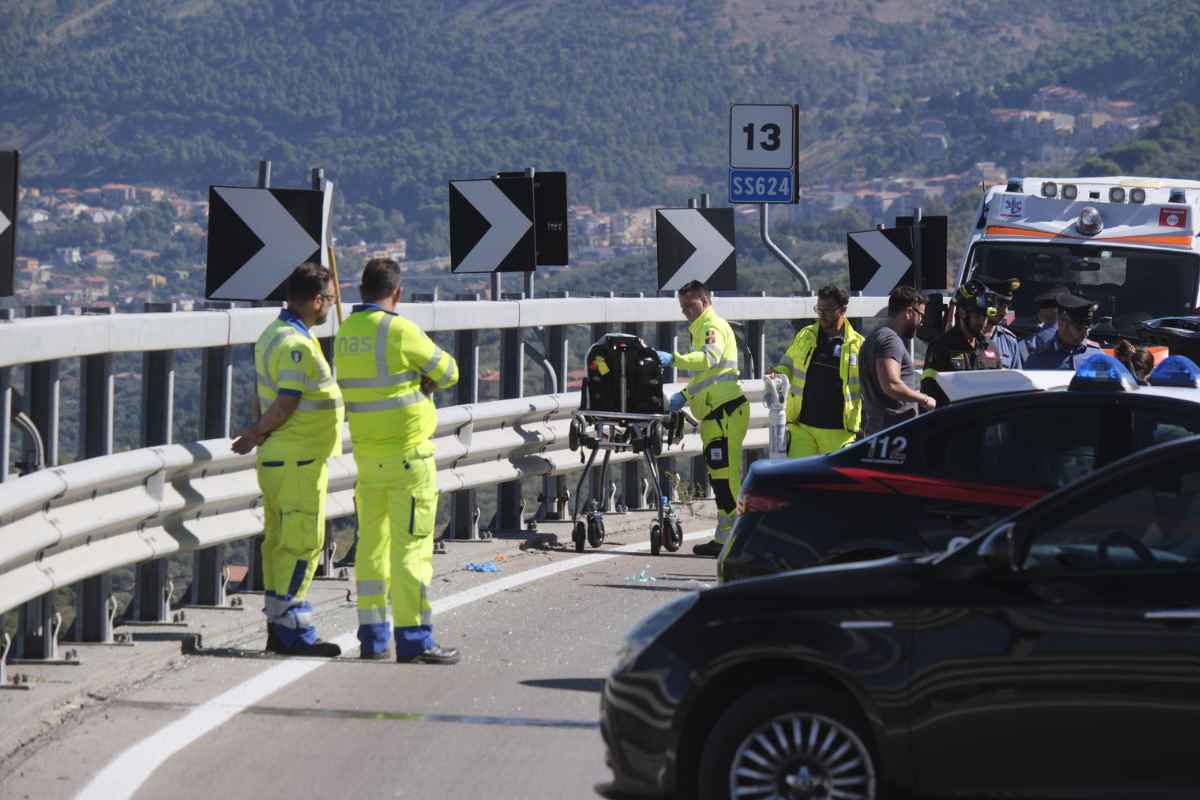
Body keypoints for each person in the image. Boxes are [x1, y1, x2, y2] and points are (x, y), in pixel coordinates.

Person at [335, 258, 461, 663]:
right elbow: (449, 371)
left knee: (371, 546)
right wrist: (422, 380)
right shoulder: (400, 329)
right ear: (398, 292)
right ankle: (416, 639)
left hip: (368, 459)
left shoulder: (346, 332)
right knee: (413, 549)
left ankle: (372, 639)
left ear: (361, 290)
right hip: (409, 456)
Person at [232, 263, 344, 657]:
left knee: (280, 545)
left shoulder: (274, 334)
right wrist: (256, 432)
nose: (332, 306)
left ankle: (279, 628)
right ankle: (295, 631)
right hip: (297, 460)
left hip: (284, 459)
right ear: (317, 301)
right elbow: (285, 402)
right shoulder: (295, 345)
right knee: (301, 544)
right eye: (330, 299)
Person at [654, 281, 747, 558]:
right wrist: (684, 394)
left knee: (726, 480)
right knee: (720, 479)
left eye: (690, 306)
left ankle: (737, 539)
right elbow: (709, 376)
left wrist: (674, 359)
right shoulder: (700, 329)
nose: (686, 313)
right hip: (716, 415)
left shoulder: (711, 327)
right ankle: (727, 538)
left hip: (725, 414)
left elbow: (709, 359)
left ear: (704, 301)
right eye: (682, 308)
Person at [770, 284, 863, 456]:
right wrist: (777, 373)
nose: (822, 315)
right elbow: (787, 364)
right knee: (799, 479)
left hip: (839, 432)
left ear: (843, 310)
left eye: (827, 310)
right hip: (802, 427)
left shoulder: (857, 345)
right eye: (819, 310)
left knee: (835, 482)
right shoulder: (805, 335)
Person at [859, 285, 936, 436]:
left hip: (880, 428)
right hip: (893, 432)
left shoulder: (875, 337)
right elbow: (892, 385)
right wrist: (925, 399)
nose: (921, 322)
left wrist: (912, 393)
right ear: (909, 312)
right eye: (921, 315)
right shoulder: (890, 340)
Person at [920, 280, 1002, 405]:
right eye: (977, 316)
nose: (983, 323)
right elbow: (929, 393)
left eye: (985, 317)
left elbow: (1001, 389)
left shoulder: (991, 348)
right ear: (962, 313)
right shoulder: (940, 347)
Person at [1024, 292, 1104, 370]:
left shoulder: (1098, 356)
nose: (1086, 334)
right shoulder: (1039, 359)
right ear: (1063, 324)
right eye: (1079, 329)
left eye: (1088, 328)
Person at [978, 275, 1023, 368]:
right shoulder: (967, 337)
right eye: (1000, 304)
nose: (1005, 312)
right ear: (985, 301)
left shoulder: (1010, 342)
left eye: (1007, 306)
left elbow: (1017, 380)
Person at [1019, 286, 1065, 360]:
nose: (1040, 310)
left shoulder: (1035, 340)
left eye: (1043, 306)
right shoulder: (1077, 336)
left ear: (1055, 309)